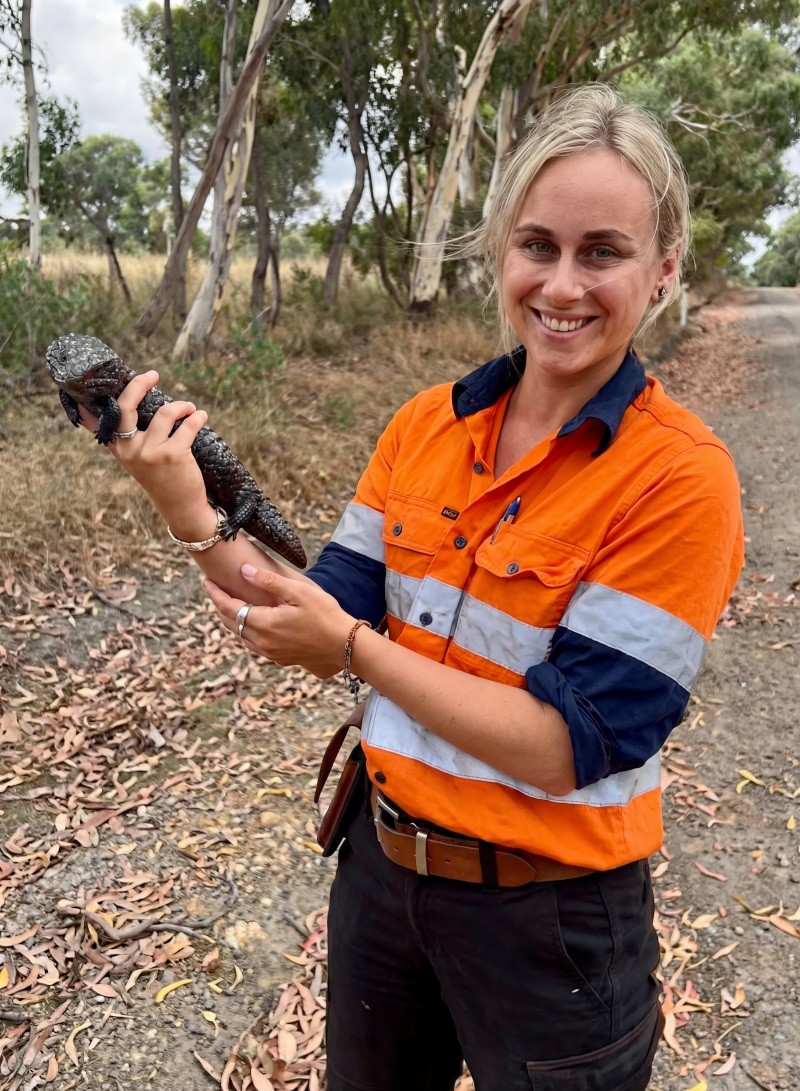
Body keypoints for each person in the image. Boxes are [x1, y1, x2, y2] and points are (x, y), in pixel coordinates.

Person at [78, 84, 743, 1091]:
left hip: (551, 923)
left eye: (600, 251)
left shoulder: (679, 477)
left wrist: (351, 649)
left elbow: (573, 742)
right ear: (498, 255)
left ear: (661, 269)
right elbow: (305, 602)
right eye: (536, 245)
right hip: (382, 874)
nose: (561, 283)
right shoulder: (424, 426)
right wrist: (186, 506)